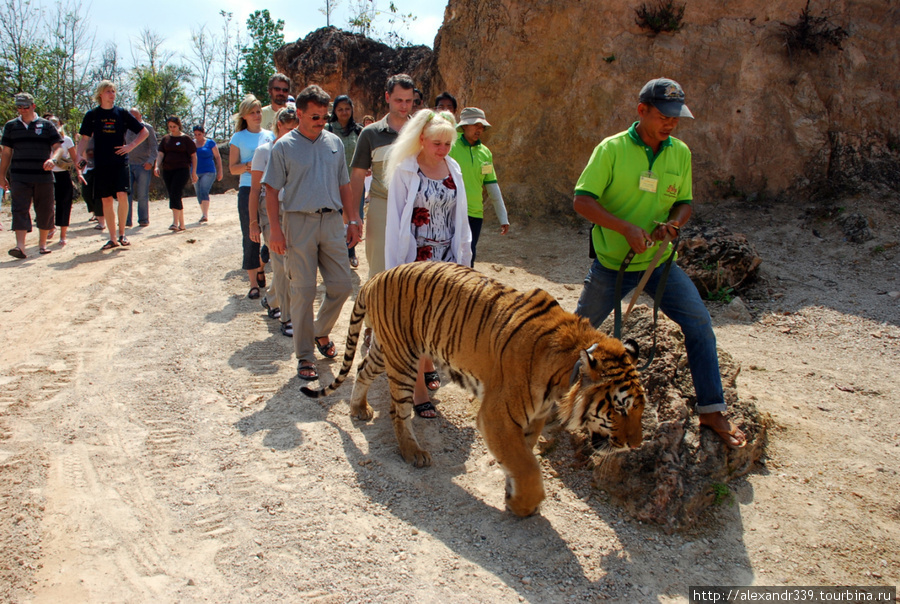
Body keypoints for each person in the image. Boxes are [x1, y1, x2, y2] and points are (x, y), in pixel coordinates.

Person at [573, 77, 747, 449]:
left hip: (658, 262)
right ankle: (549, 407)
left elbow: (684, 201)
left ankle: (712, 409)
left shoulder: (679, 153)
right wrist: (625, 229)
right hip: (611, 263)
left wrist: (676, 224)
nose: (671, 123)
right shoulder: (612, 149)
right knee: (578, 337)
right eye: (664, 115)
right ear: (642, 111)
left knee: (699, 322)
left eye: (676, 117)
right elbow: (582, 201)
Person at [262, 85, 362, 381]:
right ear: (301, 114)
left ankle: (319, 331)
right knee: (303, 292)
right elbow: (270, 191)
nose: (321, 121)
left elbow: (344, 184)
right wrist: (275, 232)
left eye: (324, 116)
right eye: (315, 116)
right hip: (298, 223)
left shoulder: (334, 143)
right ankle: (305, 355)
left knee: (342, 286)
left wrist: (353, 220)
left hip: (332, 223)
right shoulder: (283, 146)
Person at [384, 109, 472, 418]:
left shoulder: (454, 168)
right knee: (416, 325)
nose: (442, 150)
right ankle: (418, 389)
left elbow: (461, 217)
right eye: (437, 143)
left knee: (438, 322)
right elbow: (395, 222)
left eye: (448, 144)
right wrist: (394, 270)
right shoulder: (406, 170)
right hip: (417, 259)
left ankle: (428, 363)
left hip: (446, 258)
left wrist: (465, 258)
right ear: (421, 139)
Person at [349, 73, 415, 280]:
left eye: (409, 101)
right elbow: (358, 176)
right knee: (379, 270)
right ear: (387, 97)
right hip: (382, 205)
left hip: (416, 206)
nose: (404, 106)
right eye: (398, 100)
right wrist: (353, 216)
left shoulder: (422, 131)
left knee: (414, 272)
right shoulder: (370, 133)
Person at [77, 80, 148, 251]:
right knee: (106, 200)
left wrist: (130, 146)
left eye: (114, 91)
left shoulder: (122, 113)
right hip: (101, 163)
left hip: (120, 162)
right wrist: (79, 156)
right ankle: (112, 238)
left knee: (122, 195)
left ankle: (123, 233)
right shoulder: (92, 115)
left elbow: (143, 131)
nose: (112, 94)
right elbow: (84, 139)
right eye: (108, 91)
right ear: (100, 94)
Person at [249, 105, 298, 338]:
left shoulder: (299, 149)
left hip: (293, 210)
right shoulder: (263, 151)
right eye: (290, 128)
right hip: (269, 211)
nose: (294, 133)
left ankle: (272, 298)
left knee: (289, 263)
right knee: (280, 261)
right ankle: (288, 318)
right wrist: (253, 223)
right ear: (279, 125)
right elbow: (254, 189)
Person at [1, 93, 61, 258]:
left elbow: (58, 146)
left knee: (45, 209)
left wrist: (53, 159)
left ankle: (42, 244)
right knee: (19, 208)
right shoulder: (11, 126)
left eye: (25, 107)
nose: (22, 110)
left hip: (43, 175)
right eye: (19, 107)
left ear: (33, 106)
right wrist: (2, 175)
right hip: (19, 175)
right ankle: (20, 247)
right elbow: (6, 153)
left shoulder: (47, 125)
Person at [448, 107, 510, 266]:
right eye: (475, 124)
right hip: (452, 210)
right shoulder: (450, 147)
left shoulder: (485, 153)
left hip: (475, 213)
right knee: (450, 255)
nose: (479, 129)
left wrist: (503, 217)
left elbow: (491, 186)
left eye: (482, 126)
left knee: (469, 255)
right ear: (464, 126)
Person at [230, 94, 275, 299]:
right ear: (244, 116)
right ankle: (252, 284)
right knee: (250, 235)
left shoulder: (270, 135)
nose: (257, 115)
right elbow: (232, 168)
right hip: (248, 188)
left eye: (258, 111)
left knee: (272, 232)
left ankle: (261, 266)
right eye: (253, 112)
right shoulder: (238, 138)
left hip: (269, 188)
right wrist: (248, 166)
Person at [325, 94, 364, 268]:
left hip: (354, 182)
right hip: (333, 182)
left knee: (354, 217)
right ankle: (336, 255)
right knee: (336, 219)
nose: (344, 112)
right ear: (334, 110)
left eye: (347, 109)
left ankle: (351, 253)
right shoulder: (327, 130)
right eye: (340, 109)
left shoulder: (359, 130)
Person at [46, 115, 86, 247]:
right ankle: (50, 227)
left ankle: (63, 235)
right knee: (46, 204)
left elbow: (75, 158)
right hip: (46, 176)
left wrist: (79, 173)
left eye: (55, 123)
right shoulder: (41, 139)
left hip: (63, 175)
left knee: (65, 204)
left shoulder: (66, 140)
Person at [154, 116, 197, 232]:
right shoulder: (165, 139)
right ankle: (182, 224)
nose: (172, 129)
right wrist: (156, 165)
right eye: (170, 127)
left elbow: (193, 156)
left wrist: (194, 172)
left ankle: (175, 222)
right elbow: (161, 154)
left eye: (174, 126)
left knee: (175, 193)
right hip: (168, 170)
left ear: (179, 126)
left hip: (182, 169)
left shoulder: (186, 139)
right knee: (174, 195)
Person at [125, 108, 158, 227]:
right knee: (126, 194)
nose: (132, 118)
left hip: (143, 165)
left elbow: (154, 147)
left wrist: (151, 161)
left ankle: (143, 219)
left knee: (142, 194)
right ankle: (126, 220)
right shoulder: (126, 129)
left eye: (134, 116)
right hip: (128, 164)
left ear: (140, 115)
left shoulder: (147, 128)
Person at [192, 124, 222, 223]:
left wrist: (220, 171)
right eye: (195, 134)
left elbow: (217, 157)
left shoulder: (210, 143)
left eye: (199, 134)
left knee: (203, 190)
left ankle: (205, 214)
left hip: (208, 171)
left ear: (203, 133)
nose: (197, 136)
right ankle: (203, 212)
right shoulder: (192, 144)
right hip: (195, 171)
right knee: (198, 192)